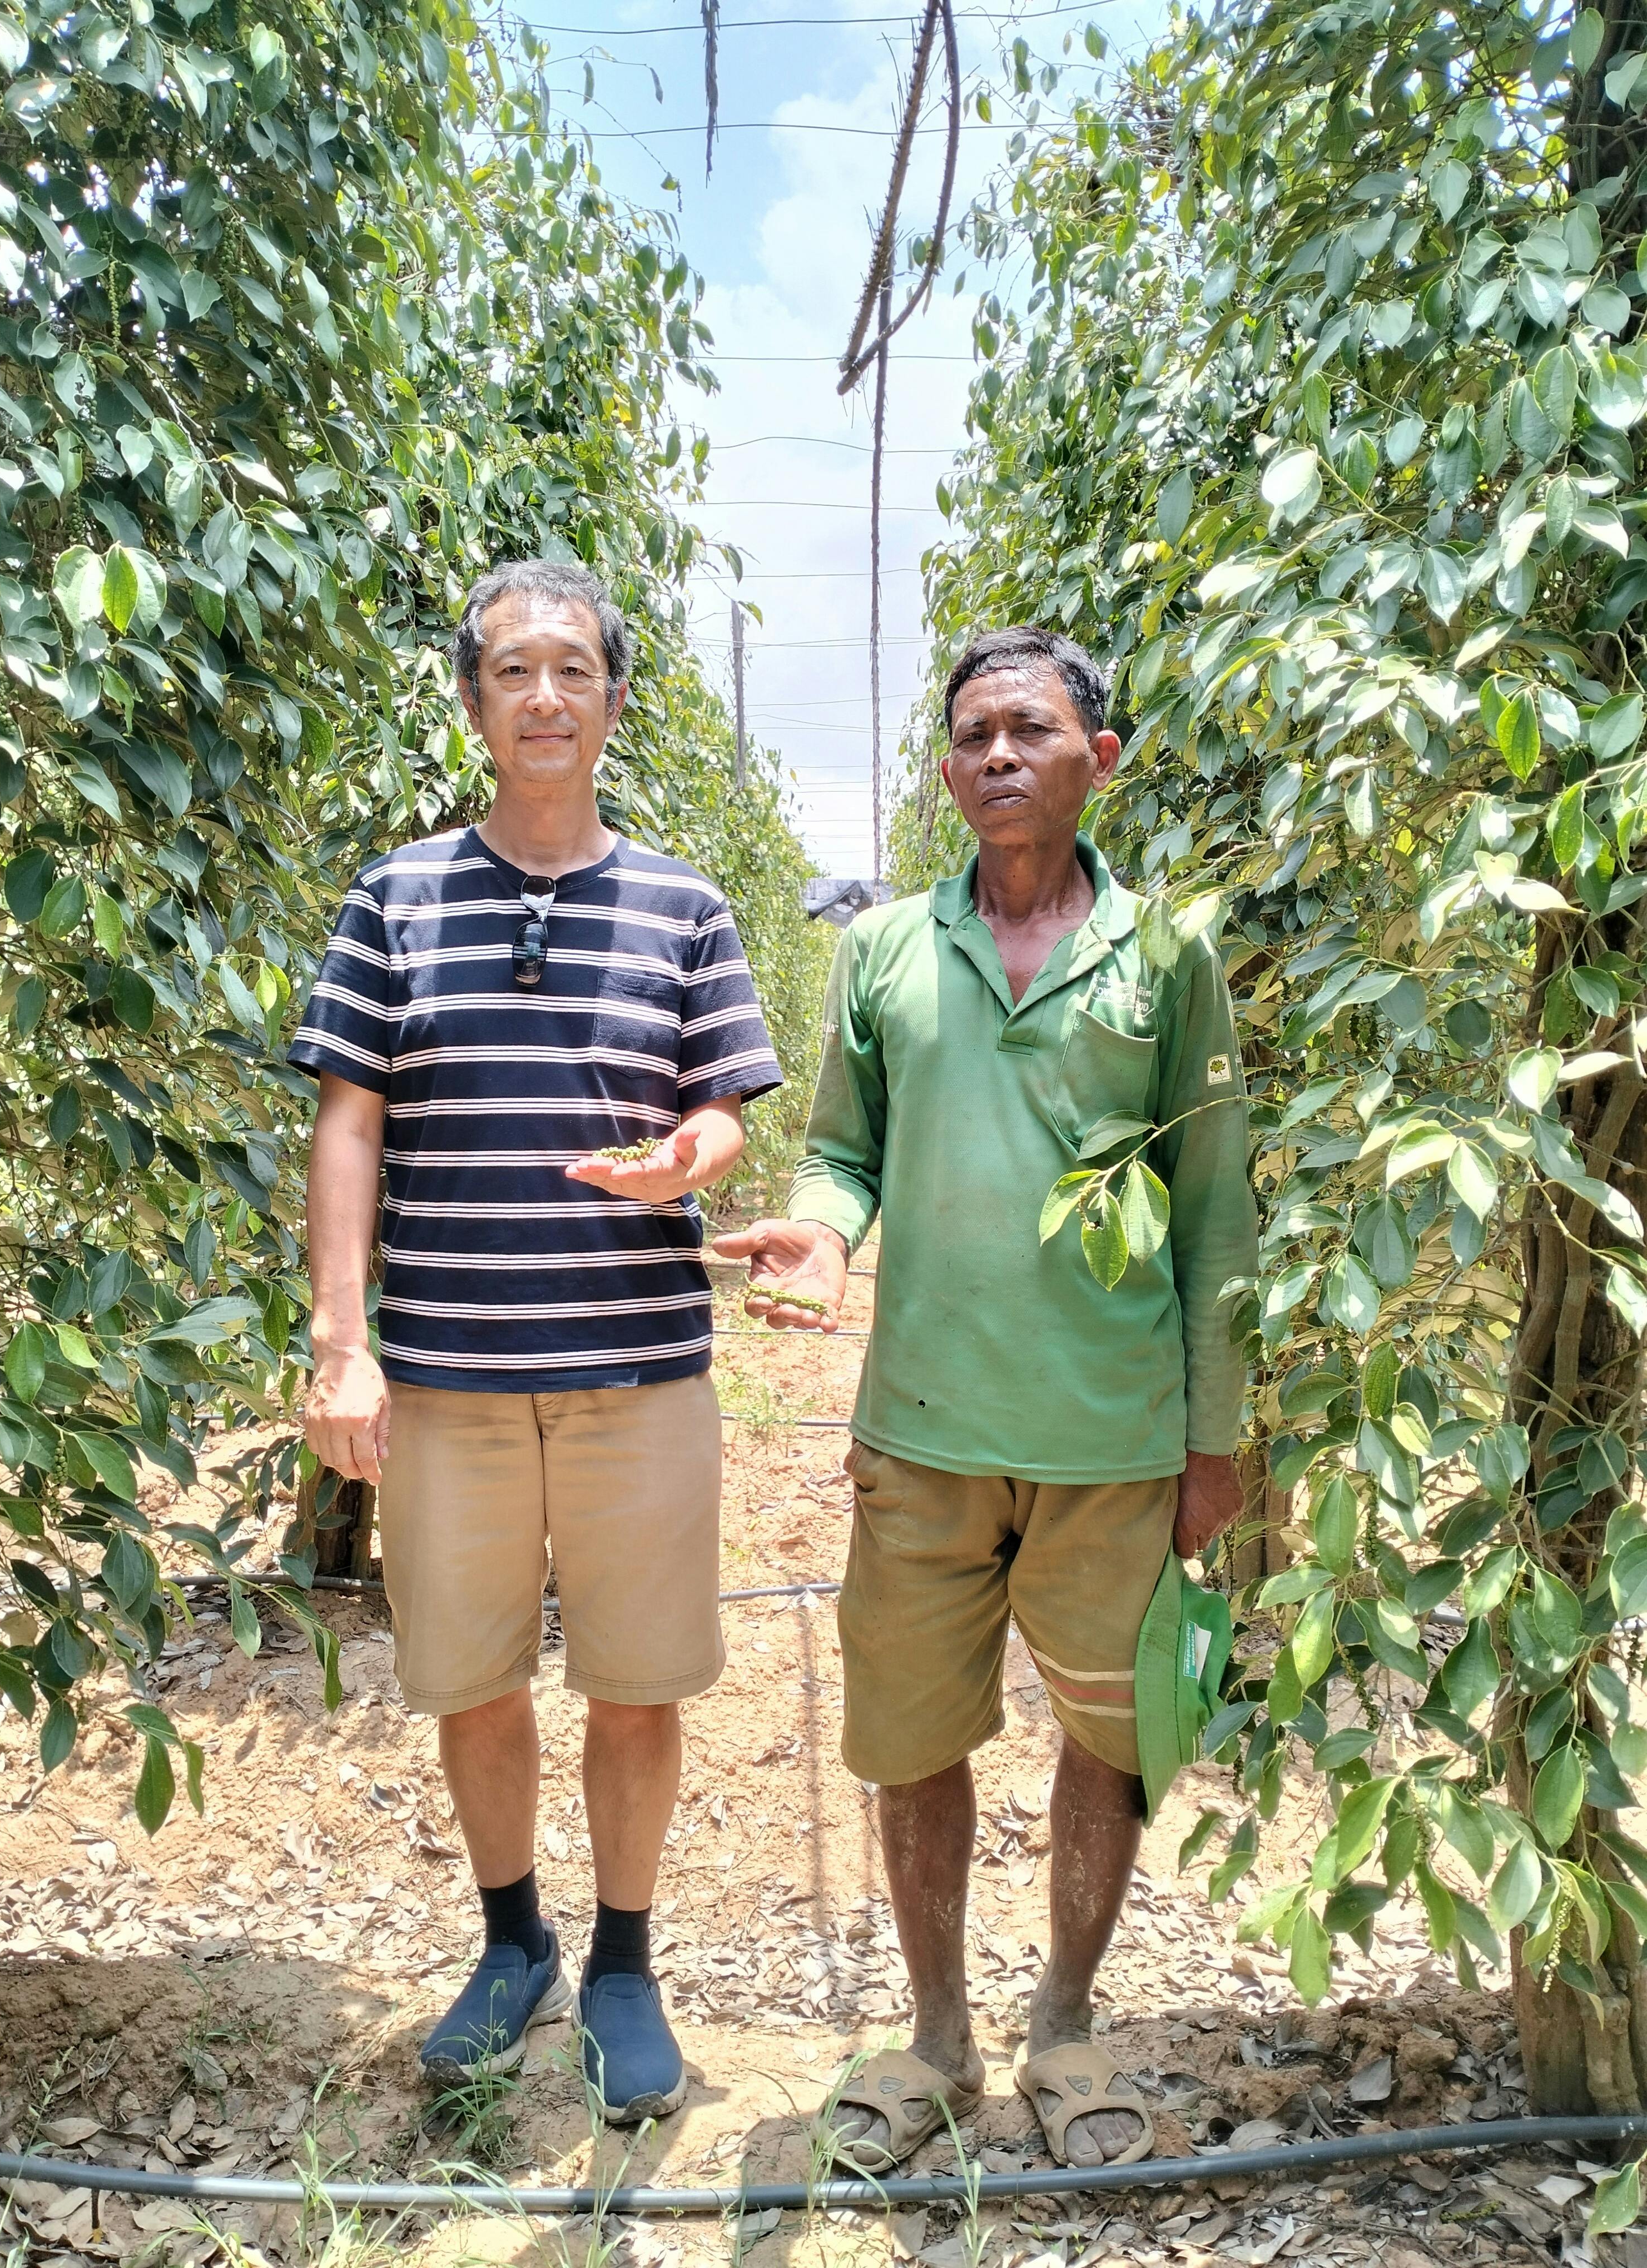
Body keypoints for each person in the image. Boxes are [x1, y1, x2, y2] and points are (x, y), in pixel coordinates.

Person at [715, 625, 1256, 2172]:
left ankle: (1065, 2027)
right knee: (909, 1739)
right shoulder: (885, 951)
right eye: (970, 736)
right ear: (947, 771)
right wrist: (823, 1233)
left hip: (1110, 1443)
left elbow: (1215, 1208)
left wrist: (1211, 1440)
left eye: (1030, 728)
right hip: (924, 1437)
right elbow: (844, 1150)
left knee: (1109, 1737)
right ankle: (940, 2040)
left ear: (1101, 756)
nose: (997, 755)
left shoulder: (1167, 959)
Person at [290, 559, 782, 2123]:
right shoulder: (396, 896)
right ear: (473, 702)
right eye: (514, 671)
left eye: (574, 669)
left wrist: (685, 1160)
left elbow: (722, 1108)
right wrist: (343, 1342)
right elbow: (349, 1123)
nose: (546, 697)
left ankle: (626, 1965)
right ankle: (516, 1943)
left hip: (639, 1370)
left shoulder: (684, 906)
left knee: (638, 1684)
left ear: (615, 700)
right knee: (474, 1679)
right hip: (450, 1375)